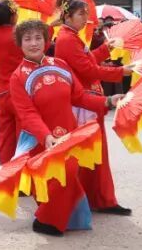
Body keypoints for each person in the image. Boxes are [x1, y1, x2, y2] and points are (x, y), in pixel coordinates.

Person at [10, 19, 123, 236]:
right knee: (55, 180)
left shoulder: (60, 65)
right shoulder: (18, 77)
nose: (33, 43)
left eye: (38, 38)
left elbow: (80, 97)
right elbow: (27, 114)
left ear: (45, 40)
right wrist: (46, 136)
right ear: (20, 43)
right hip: (41, 140)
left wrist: (108, 101)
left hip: (69, 135)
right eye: (27, 39)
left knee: (68, 174)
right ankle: (47, 219)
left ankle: (49, 219)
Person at [53, 0, 134, 215]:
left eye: (86, 14)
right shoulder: (67, 39)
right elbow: (88, 70)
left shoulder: (70, 37)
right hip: (83, 102)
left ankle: (94, 197)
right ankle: (100, 199)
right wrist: (121, 71)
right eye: (81, 14)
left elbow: (87, 62)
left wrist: (105, 49)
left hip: (86, 98)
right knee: (93, 152)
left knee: (92, 152)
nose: (85, 18)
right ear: (68, 16)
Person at [0, 0, 24, 164]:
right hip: (21, 89)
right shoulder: (19, 34)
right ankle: (23, 171)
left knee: (5, 136)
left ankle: (6, 170)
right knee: (23, 136)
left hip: (2, 91)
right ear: (12, 16)